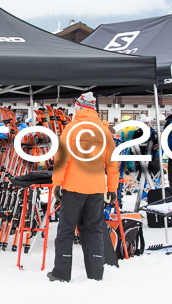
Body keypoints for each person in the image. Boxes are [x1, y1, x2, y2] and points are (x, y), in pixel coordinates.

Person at [48, 92, 119, 282]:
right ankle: (96, 274)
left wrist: (57, 184)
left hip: (73, 188)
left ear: (78, 107)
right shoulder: (104, 131)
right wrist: (112, 189)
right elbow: (112, 164)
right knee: (94, 231)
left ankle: (61, 274)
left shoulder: (71, 129)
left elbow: (62, 159)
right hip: (96, 189)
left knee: (66, 231)